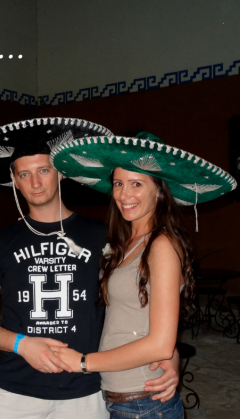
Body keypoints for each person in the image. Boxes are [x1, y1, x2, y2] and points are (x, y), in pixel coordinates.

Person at [0, 120, 181, 419]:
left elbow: (137, 302)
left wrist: (169, 353)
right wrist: (21, 344)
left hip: (86, 390)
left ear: (60, 172)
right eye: (25, 174)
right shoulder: (2, 240)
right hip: (14, 389)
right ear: (14, 180)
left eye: (44, 170)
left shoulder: (105, 236)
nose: (35, 183)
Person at [48, 131, 237, 418]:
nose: (124, 194)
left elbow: (160, 343)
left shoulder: (162, 245)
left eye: (137, 184)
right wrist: (172, 356)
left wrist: (83, 362)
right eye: (118, 184)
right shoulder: (127, 242)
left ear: (159, 190)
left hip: (144, 401)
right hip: (126, 398)